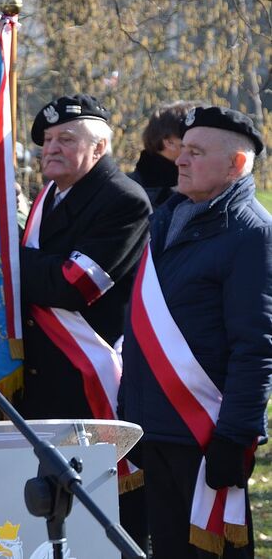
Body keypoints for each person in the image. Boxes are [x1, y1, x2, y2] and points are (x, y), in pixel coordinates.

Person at [119, 106, 272, 558]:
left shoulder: (252, 233)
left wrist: (235, 436)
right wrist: (132, 412)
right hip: (156, 427)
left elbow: (256, 345)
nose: (181, 161)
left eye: (196, 153)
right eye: (182, 150)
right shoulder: (168, 217)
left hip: (205, 434)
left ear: (236, 165)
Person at [19, 94, 151, 550]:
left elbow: (74, 285)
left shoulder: (123, 199)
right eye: (47, 140)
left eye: (66, 139)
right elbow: (48, 273)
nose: (51, 148)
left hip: (92, 379)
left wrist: (10, 263)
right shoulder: (49, 195)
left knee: (104, 513)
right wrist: (36, 265)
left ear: (99, 149)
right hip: (42, 378)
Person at [129, 100, 200, 209]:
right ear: (170, 142)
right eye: (190, 134)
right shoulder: (128, 192)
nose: (200, 141)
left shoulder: (203, 184)